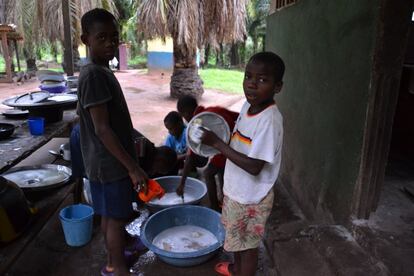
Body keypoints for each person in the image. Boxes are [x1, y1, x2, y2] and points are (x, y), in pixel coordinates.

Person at [200, 52, 285, 276]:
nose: (252, 85)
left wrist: (218, 144)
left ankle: (243, 271)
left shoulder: (269, 120)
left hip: (251, 198)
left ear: (278, 87)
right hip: (236, 191)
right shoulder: (249, 108)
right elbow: (239, 142)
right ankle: (237, 269)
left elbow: (255, 166)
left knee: (247, 247)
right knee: (236, 240)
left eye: (262, 80)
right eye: (248, 76)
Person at [78, 9, 147, 276]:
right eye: (102, 37)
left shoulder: (100, 71)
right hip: (111, 164)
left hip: (103, 163)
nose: (110, 43)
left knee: (108, 214)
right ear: (86, 39)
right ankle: (118, 268)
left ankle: (111, 262)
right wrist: (132, 167)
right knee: (117, 219)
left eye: (114, 37)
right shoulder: (94, 75)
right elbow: (103, 129)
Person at [176, 95, 239, 211]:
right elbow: (239, 116)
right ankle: (225, 200)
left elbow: (190, 157)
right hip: (238, 144)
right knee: (221, 170)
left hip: (226, 149)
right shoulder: (214, 110)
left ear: (187, 112)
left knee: (208, 173)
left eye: (183, 115)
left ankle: (214, 208)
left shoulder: (196, 125)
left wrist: (182, 183)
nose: (184, 119)